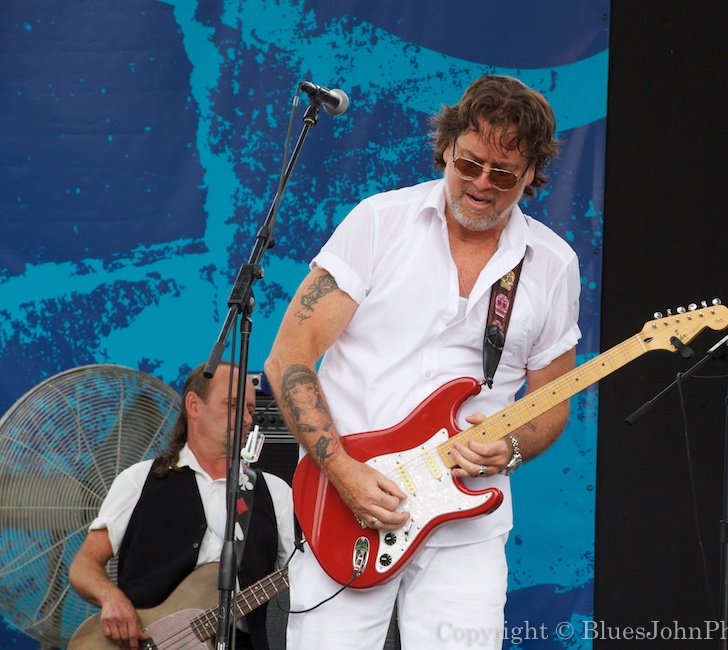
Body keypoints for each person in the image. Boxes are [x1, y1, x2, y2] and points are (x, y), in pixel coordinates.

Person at [264, 74, 581, 649]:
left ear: (533, 174)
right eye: (468, 164)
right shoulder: (379, 222)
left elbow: (552, 399)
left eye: (504, 173)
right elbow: (290, 355)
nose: (480, 184)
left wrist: (511, 446)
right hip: (349, 504)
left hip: (467, 525)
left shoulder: (553, 264)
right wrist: (341, 471)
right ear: (446, 149)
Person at [68, 361, 295, 650]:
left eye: (250, 410)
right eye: (234, 405)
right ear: (194, 405)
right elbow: (83, 565)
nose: (247, 419)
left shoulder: (275, 493)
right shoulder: (139, 481)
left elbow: (301, 576)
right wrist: (111, 598)